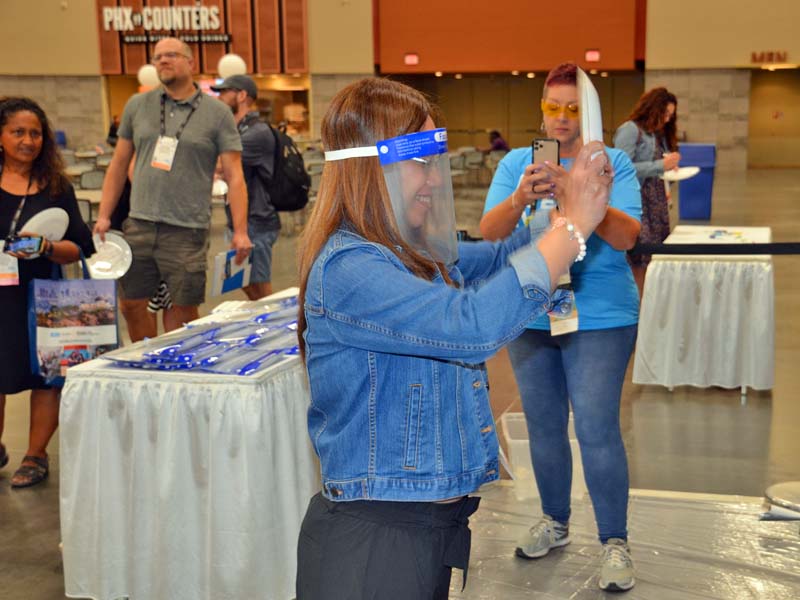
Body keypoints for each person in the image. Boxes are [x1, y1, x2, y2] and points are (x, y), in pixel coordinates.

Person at [295, 77, 614, 599]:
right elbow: (472, 326)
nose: (433, 181)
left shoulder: (409, 252)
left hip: (430, 529)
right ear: (368, 168)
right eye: (419, 162)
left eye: (433, 162)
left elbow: (495, 258)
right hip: (377, 543)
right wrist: (572, 227)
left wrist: (556, 211)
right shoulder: (350, 267)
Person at [479, 62, 642, 592]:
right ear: (541, 109)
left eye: (574, 108)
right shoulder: (519, 163)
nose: (562, 119)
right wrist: (521, 198)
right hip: (533, 310)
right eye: (553, 107)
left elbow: (626, 236)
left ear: (588, 111)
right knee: (545, 426)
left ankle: (615, 542)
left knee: (595, 429)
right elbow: (489, 232)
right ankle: (555, 520)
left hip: (600, 313)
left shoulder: (610, 160)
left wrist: (584, 194)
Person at [94, 37, 252, 342]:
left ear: (191, 63)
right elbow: (118, 164)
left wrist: (241, 230)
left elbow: (235, 176)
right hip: (139, 223)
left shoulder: (217, 113)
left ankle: (176, 369)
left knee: (183, 310)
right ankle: (145, 359)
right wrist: (104, 214)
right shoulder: (138, 105)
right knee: (131, 303)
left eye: (171, 55)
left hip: (187, 230)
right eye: (157, 57)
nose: (163, 61)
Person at [0, 97, 94, 488]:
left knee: (47, 376)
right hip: (1, 295)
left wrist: (47, 247)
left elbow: (81, 246)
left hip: (46, 294)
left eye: (35, 133)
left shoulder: (57, 187)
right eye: (18, 132)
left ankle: (35, 455)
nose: (27, 140)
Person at [213, 74, 280, 300]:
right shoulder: (238, 130)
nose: (219, 98)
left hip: (257, 220)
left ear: (242, 96)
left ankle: (271, 329)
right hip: (243, 219)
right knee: (243, 282)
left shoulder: (256, 132)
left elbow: (221, 165)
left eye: (224, 92)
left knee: (260, 290)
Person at [613, 87, 680, 295]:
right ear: (653, 109)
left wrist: (669, 169)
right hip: (637, 203)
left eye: (671, 115)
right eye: (665, 114)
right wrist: (661, 165)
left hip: (656, 204)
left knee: (653, 260)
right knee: (638, 261)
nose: (667, 119)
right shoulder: (630, 129)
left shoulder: (656, 134)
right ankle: (636, 312)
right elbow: (621, 168)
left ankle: (647, 308)